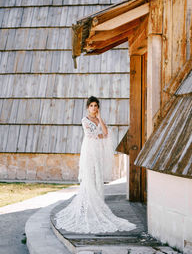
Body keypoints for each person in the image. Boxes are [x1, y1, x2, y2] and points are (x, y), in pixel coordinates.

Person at [55, 96, 136, 234]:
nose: (94, 108)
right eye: (91, 106)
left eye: (96, 106)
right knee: (89, 176)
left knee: (98, 176)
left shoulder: (98, 119)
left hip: (97, 152)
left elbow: (105, 132)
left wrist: (100, 118)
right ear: (88, 107)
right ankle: (88, 206)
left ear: (98, 108)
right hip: (89, 150)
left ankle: (97, 205)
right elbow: (90, 134)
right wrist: (100, 135)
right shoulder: (85, 120)